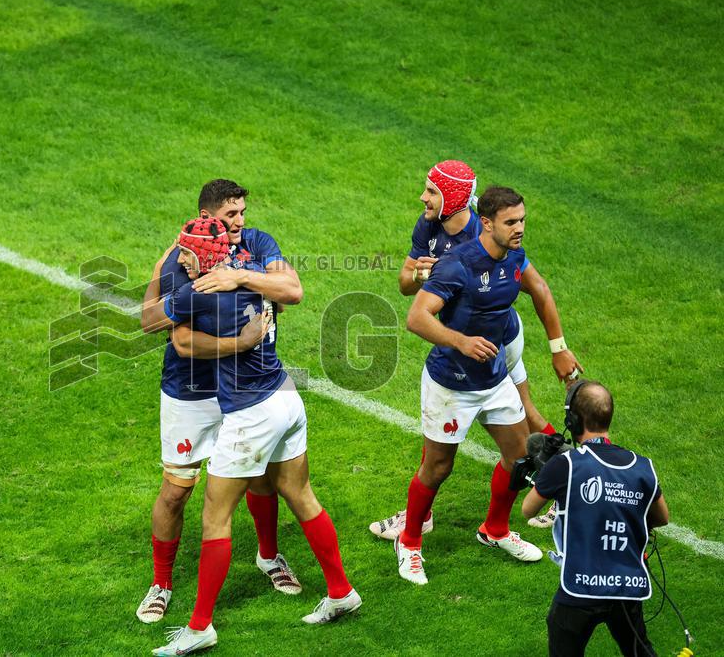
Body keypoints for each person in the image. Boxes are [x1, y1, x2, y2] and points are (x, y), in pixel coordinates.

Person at [148, 217, 360, 655]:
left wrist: (159, 269)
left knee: (215, 516)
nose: (181, 260)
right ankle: (341, 592)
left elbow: (153, 321)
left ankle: (200, 625)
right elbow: (293, 291)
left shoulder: (198, 292)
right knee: (301, 495)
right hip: (286, 398)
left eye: (185, 253)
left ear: (201, 255)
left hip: (251, 415)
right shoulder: (257, 268)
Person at [369, 160, 582, 541]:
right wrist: (424, 273)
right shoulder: (428, 225)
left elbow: (535, 286)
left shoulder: (488, 232)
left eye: (432, 191)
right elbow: (405, 283)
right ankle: (425, 514)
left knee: (525, 416)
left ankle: (563, 484)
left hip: (497, 340)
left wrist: (558, 347)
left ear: (452, 196)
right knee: (452, 439)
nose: (423, 197)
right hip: (463, 340)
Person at [135, 180, 305, 624]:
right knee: (176, 492)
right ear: (208, 216)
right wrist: (241, 341)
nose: (240, 223)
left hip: (250, 391)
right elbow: (161, 328)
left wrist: (249, 283)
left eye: (243, 213)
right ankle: (162, 582)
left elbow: (289, 291)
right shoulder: (180, 263)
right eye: (231, 216)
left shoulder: (258, 244)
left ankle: (269, 557)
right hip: (191, 393)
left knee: (265, 478)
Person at [395, 186, 548, 586]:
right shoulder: (457, 264)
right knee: (437, 467)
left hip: (494, 378)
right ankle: (409, 542)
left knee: (518, 459)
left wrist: (559, 347)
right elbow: (417, 317)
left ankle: (495, 530)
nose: (519, 229)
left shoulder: (515, 255)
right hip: (451, 384)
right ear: (487, 223)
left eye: (522, 220)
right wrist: (460, 341)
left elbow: (541, 290)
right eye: (511, 222)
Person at [523, 380, 669, 656]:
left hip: (580, 588)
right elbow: (662, 517)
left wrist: (548, 474)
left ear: (573, 420)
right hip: (626, 588)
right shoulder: (641, 466)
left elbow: (528, 510)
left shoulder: (565, 464)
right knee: (639, 651)